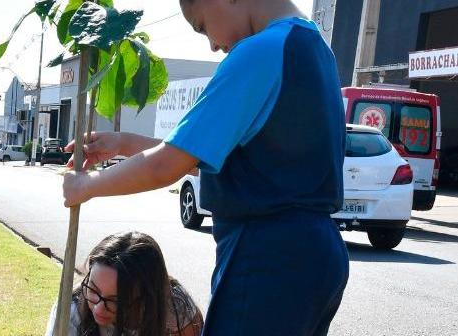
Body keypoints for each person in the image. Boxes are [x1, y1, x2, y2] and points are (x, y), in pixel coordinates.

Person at [62, 1, 349, 335]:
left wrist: (85, 186)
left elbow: (166, 165)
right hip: (318, 255)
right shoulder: (313, 49)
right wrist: (124, 143)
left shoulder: (260, 52)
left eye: (201, 25)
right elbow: (225, 163)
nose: (212, 44)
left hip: (268, 256)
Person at [45, 232, 203, 335]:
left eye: (115, 300)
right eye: (93, 289)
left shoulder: (175, 308)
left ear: (146, 296)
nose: (99, 308)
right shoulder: (69, 311)